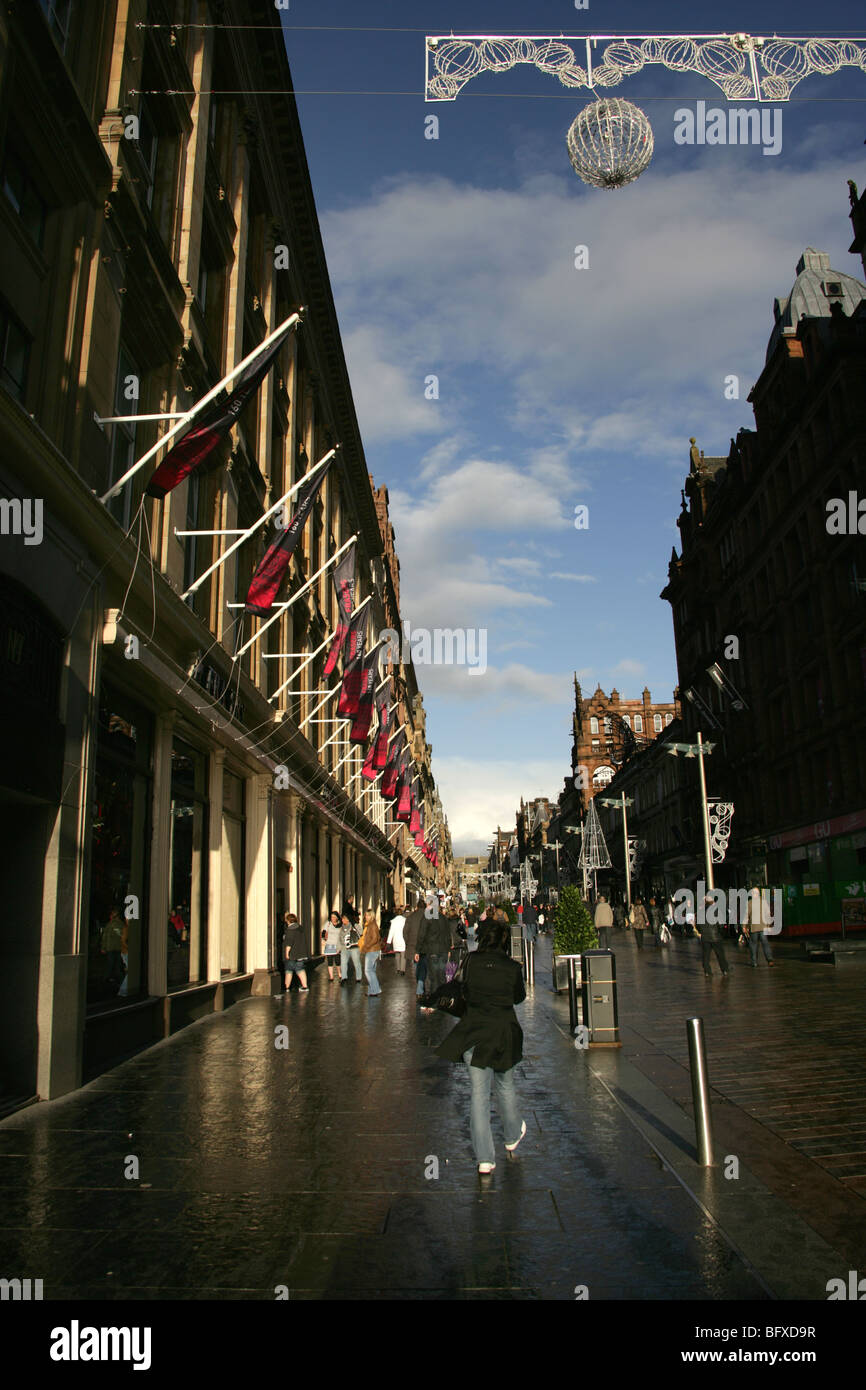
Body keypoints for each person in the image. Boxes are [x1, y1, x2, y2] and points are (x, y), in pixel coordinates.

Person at [434, 920, 527, 1175]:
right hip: (502, 1034)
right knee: (505, 1085)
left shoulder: (471, 961)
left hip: (474, 1034)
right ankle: (511, 1135)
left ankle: (485, 1159)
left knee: (478, 1094)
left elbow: (463, 988)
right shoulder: (511, 967)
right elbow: (519, 997)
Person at [415, 902, 453, 994]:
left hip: (432, 950)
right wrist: (448, 948)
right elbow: (448, 934)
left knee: (433, 977)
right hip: (443, 950)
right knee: (442, 976)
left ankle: (435, 999)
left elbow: (421, 935)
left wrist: (417, 950)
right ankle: (442, 997)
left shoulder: (427, 917)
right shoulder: (443, 918)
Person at [697, 896, 729, 978]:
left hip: (705, 936)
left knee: (706, 955)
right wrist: (720, 931)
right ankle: (724, 969)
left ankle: (707, 971)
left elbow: (698, 925)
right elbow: (721, 923)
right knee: (720, 954)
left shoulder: (700, 911)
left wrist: (701, 932)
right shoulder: (716, 910)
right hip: (715, 936)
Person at [745, 888, 776, 968]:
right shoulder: (764, 902)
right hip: (763, 926)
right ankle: (770, 960)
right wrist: (769, 924)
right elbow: (768, 914)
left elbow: (746, 916)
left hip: (754, 927)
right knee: (765, 943)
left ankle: (754, 962)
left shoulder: (749, 903)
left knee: (753, 945)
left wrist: (744, 926)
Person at [281, 911, 308, 991]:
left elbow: (289, 942)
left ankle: (287, 987)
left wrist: (287, 954)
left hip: (292, 954)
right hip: (301, 954)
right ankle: (305, 986)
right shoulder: (300, 928)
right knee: (300, 969)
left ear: (288, 921)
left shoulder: (290, 930)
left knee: (289, 970)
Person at [359, 910, 382, 997]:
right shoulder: (370, 924)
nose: (366, 917)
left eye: (368, 915)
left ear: (371, 916)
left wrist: (366, 946)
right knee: (371, 970)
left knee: (368, 971)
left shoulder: (372, 925)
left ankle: (376, 989)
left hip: (372, 950)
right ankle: (372, 990)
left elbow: (375, 938)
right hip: (372, 950)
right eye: (365, 915)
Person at [101, 908, 125, 986]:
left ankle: (106, 979)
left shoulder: (110, 925)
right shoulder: (121, 924)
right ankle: (119, 980)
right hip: (118, 948)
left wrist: (103, 947)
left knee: (110, 964)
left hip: (110, 948)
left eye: (111, 915)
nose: (110, 916)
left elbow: (105, 937)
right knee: (117, 965)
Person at [340, 910, 363, 986]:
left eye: (344, 918)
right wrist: (338, 947)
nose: (343, 920)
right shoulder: (341, 927)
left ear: (348, 919)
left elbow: (361, 933)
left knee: (356, 962)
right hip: (344, 947)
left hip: (354, 947)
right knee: (343, 963)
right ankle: (344, 978)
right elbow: (340, 938)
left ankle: (358, 978)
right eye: (342, 918)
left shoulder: (354, 925)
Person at [322, 910, 343, 982]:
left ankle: (340, 974)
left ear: (337, 917)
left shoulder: (340, 924)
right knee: (330, 961)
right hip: (329, 944)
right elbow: (323, 932)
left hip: (337, 945)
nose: (333, 918)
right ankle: (331, 976)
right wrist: (323, 940)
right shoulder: (328, 924)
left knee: (338, 960)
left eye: (334, 917)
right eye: (331, 917)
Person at [387, 904, 408, 973]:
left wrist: (388, 942)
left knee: (397, 954)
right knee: (403, 954)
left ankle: (398, 969)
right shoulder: (405, 920)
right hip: (403, 939)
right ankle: (403, 969)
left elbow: (391, 932)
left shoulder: (393, 921)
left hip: (396, 940)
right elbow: (407, 930)